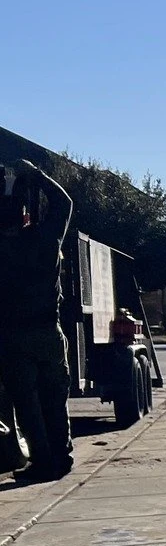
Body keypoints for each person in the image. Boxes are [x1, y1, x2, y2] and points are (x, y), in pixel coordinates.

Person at [0, 158, 75, 482]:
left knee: (27, 404)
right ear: (25, 214)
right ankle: (62, 456)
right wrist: (36, 175)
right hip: (48, 331)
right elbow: (63, 203)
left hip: (13, 336)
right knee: (54, 399)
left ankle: (43, 462)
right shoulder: (45, 241)